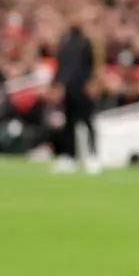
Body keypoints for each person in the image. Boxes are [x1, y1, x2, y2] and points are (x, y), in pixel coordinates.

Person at [53, 24, 100, 173]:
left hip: (83, 88)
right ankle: (70, 157)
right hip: (69, 89)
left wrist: (91, 83)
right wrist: (58, 84)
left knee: (87, 122)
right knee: (69, 124)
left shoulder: (86, 43)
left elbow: (91, 66)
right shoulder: (64, 43)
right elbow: (61, 67)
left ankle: (92, 156)